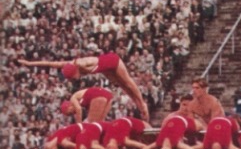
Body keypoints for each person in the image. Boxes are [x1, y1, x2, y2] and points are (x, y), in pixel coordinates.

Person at [19, 53, 150, 120]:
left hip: (112, 61)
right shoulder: (69, 65)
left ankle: (142, 104)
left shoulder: (82, 64)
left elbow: (96, 62)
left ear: (76, 71)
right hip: (105, 69)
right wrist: (30, 63)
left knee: (128, 83)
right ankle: (140, 107)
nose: (76, 79)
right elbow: (50, 63)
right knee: (123, 86)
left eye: (74, 77)